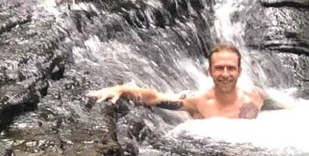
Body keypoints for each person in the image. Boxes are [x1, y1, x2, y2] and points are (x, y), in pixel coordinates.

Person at [87, 43, 281, 120]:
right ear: (210, 71)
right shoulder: (197, 102)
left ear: (239, 71)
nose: (225, 74)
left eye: (230, 68)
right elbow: (156, 98)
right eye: (219, 68)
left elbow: (288, 111)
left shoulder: (256, 96)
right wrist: (123, 89)